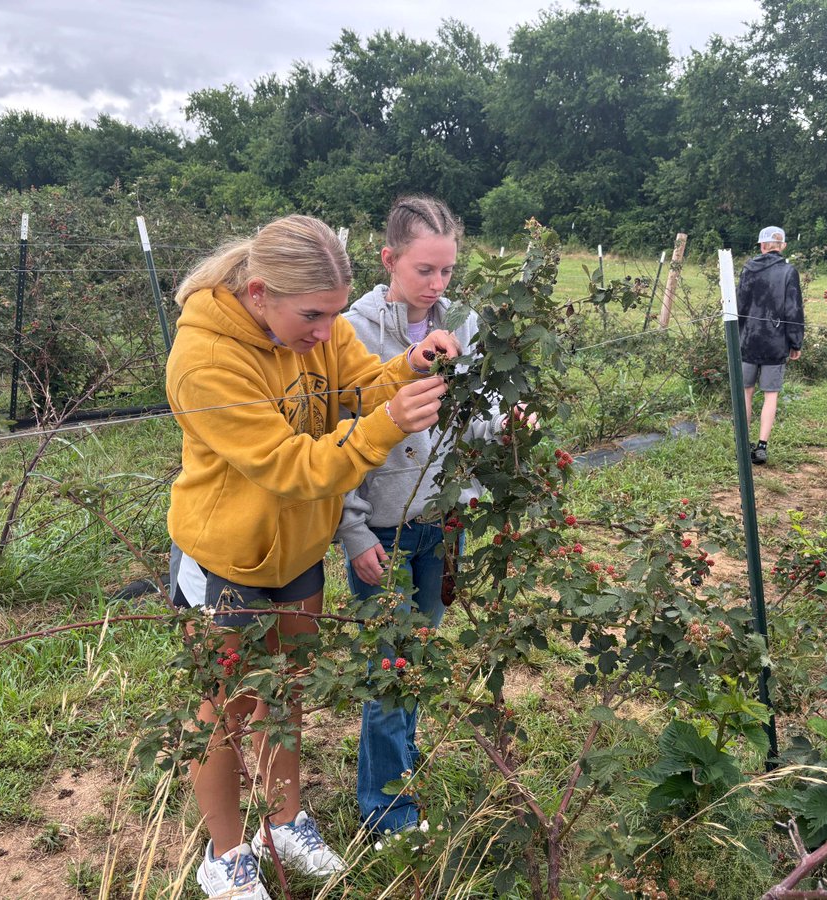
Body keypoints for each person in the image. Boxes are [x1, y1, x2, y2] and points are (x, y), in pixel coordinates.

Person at [165, 214, 460, 899]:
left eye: (333, 314)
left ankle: (286, 820)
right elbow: (290, 466)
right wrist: (385, 427)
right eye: (312, 316)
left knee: (285, 689)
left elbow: (356, 384)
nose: (325, 332)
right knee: (224, 706)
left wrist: (406, 368)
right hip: (225, 559)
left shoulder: (319, 329)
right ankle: (227, 854)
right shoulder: (205, 359)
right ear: (260, 292)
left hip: (296, 551)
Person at [335, 196, 497, 835]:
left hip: (442, 521)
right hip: (381, 528)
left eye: (447, 272)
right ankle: (389, 812)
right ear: (389, 260)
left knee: (418, 655)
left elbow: (476, 415)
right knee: (390, 667)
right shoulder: (351, 331)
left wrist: (510, 428)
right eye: (424, 271)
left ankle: (399, 764)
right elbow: (339, 435)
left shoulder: (464, 323)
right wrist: (351, 531)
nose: (437, 286)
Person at [737, 225, 804, 465]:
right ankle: (762, 446)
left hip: (747, 341)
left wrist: (738, 337)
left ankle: (742, 444)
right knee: (771, 394)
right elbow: (793, 310)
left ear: (762, 246)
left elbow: (739, 307)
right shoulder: (789, 271)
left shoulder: (747, 269)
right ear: (783, 246)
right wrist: (795, 342)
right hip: (775, 343)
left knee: (745, 391)